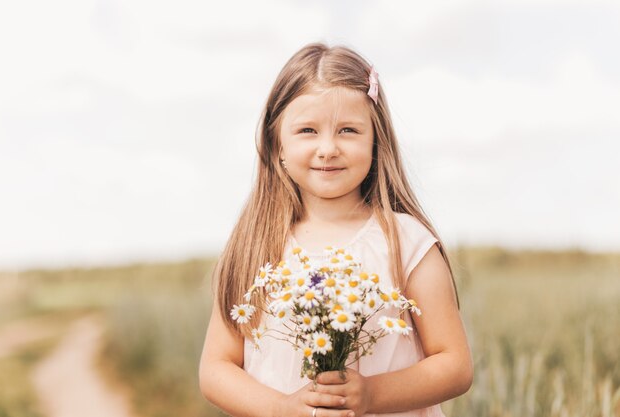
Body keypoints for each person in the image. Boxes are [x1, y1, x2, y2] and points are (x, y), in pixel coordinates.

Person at [199, 42, 473, 417]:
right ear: (276, 143)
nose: (328, 148)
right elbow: (216, 369)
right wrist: (283, 408)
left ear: (376, 141)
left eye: (348, 130)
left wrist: (372, 395)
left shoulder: (408, 243)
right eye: (308, 130)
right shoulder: (256, 245)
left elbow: (455, 365)